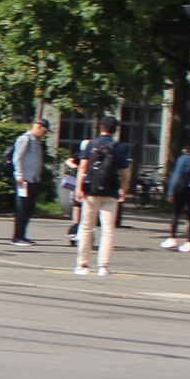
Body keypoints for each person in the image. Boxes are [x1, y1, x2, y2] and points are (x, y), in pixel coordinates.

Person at [73, 115, 128, 276]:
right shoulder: (119, 148)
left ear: (101, 128)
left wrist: (79, 188)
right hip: (111, 192)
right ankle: (103, 266)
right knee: (108, 230)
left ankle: (82, 265)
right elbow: (125, 173)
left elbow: (83, 167)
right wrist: (123, 190)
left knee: (86, 227)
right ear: (115, 130)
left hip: (92, 191)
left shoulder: (91, 144)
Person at [162, 141, 190, 252]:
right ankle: (189, 242)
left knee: (176, 214)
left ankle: (172, 238)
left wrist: (170, 191)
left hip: (183, 189)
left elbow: (177, 175)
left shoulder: (183, 159)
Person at [9, 119, 47, 247]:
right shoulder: (25, 139)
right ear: (38, 126)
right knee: (22, 207)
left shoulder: (35, 140)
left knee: (29, 208)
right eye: (44, 130)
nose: (44, 133)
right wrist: (19, 174)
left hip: (33, 178)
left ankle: (23, 235)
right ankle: (17, 236)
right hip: (24, 179)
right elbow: (17, 157)